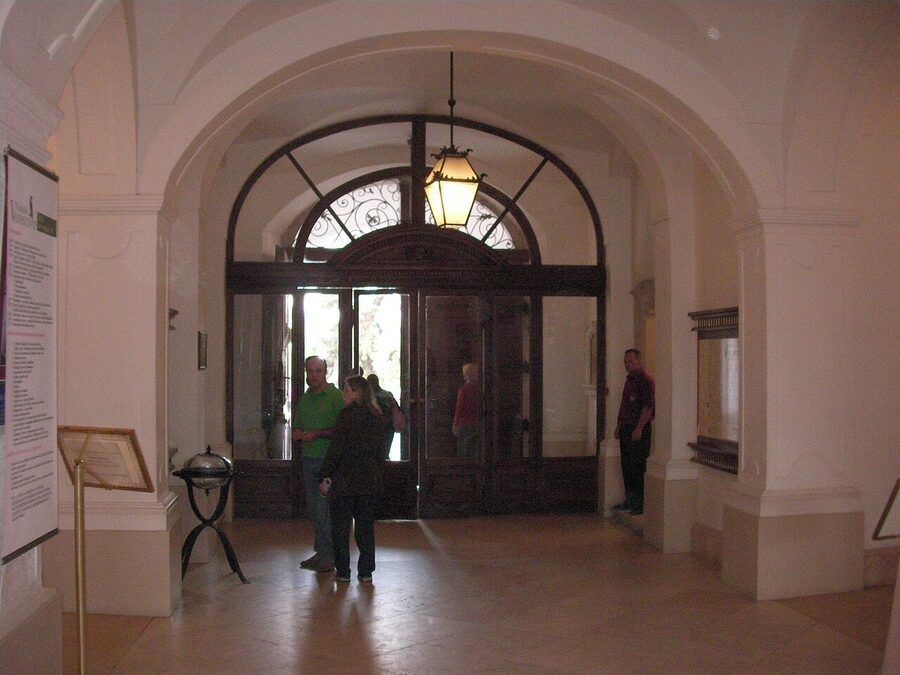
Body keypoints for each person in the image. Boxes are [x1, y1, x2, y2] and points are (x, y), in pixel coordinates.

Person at [318, 375, 386, 583]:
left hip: (345, 480)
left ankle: (343, 571)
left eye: (347, 390)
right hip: (368, 480)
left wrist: (324, 475)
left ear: (358, 393)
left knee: (340, 527)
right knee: (365, 528)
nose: (344, 394)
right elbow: (380, 450)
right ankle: (366, 571)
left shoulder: (345, 416)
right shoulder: (376, 416)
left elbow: (335, 450)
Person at [293, 356, 345, 572]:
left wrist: (318, 435)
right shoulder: (305, 399)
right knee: (314, 510)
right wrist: (298, 434)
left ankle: (329, 556)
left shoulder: (336, 397)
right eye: (310, 371)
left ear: (326, 372)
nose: (314, 375)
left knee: (324, 510)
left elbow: (342, 430)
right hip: (309, 459)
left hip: (328, 461)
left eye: (318, 371)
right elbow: (297, 426)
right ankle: (321, 552)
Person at [613, 349, 655, 515]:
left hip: (639, 429)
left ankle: (641, 501)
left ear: (639, 360)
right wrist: (619, 426)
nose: (627, 365)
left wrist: (639, 427)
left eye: (630, 361)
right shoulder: (629, 381)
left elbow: (648, 407)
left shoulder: (645, 380)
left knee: (638, 466)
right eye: (625, 362)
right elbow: (624, 406)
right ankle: (630, 498)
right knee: (627, 465)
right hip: (626, 429)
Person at [366, 373, 401, 459]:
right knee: (385, 449)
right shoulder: (387, 395)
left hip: (378, 425)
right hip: (388, 425)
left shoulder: (368, 397)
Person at [452, 362, 479, 458]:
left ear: (466, 375)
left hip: (464, 424)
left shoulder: (463, 390)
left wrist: (455, 423)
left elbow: (459, 408)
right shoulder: (480, 390)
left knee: (463, 450)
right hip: (477, 423)